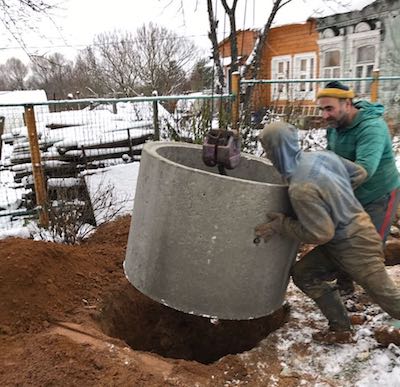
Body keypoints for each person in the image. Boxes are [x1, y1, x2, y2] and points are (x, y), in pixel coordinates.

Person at [254, 121, 400, 344]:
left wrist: (281, 225)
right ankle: (340, 328)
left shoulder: (301, 188)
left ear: (274, 151)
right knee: (304, 273)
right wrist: (335, 194)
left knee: (388, 297)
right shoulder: (323, 157)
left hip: (356, 246)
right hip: (353, 232)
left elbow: (321, 234)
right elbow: (359, 173)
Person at [317, 81, 400, 294]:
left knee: (370, 245)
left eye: (329, 108)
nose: (325, 115)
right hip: (351, 192)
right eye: (322, 109)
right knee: (344, 237)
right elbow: (330, 156)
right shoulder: (335, 126)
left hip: (379, 194)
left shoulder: (372, 127)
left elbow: (364, 169)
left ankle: (384, 297)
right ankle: (345, 286)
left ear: (347, 103)